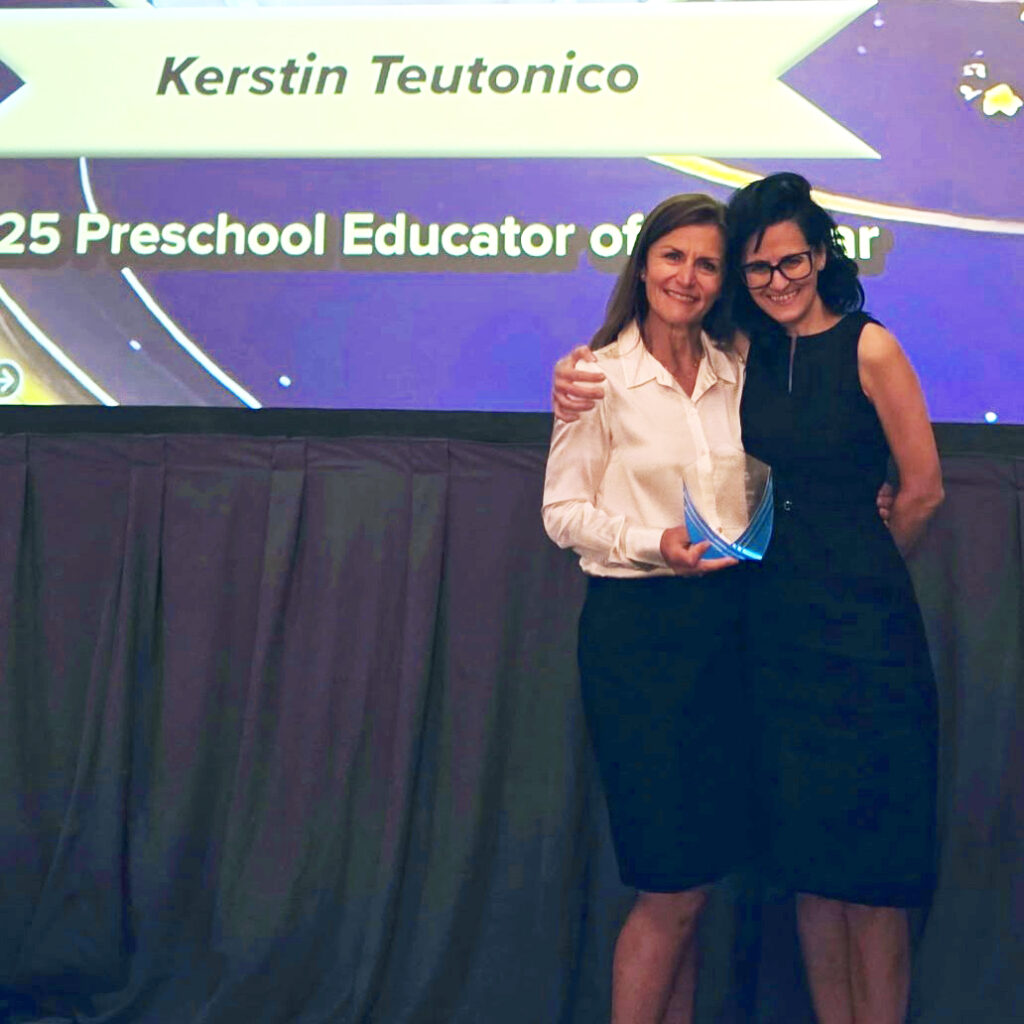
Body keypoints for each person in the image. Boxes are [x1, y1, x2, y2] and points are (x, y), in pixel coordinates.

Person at [552, 173, 943, 1024]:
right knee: (797, 867)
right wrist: (573, 379)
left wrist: (865, 567)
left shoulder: (835, 351)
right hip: (749, 639)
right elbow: (569, 501)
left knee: (868, 874)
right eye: (757, 268)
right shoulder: (714, 358)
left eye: (788, 261)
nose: (775, 280)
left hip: (849, 639)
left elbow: (921, 493)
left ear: (822, 255)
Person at [542, 193, 752, 1024]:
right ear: (643, 264)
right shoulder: (594, 372)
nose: (688, 277)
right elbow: (562, 513)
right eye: (673, 257)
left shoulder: (739, 368)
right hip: (639, 639)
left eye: (706, 263)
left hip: (729, 634)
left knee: (695, 884)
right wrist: (652, 541)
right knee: (670, 883)